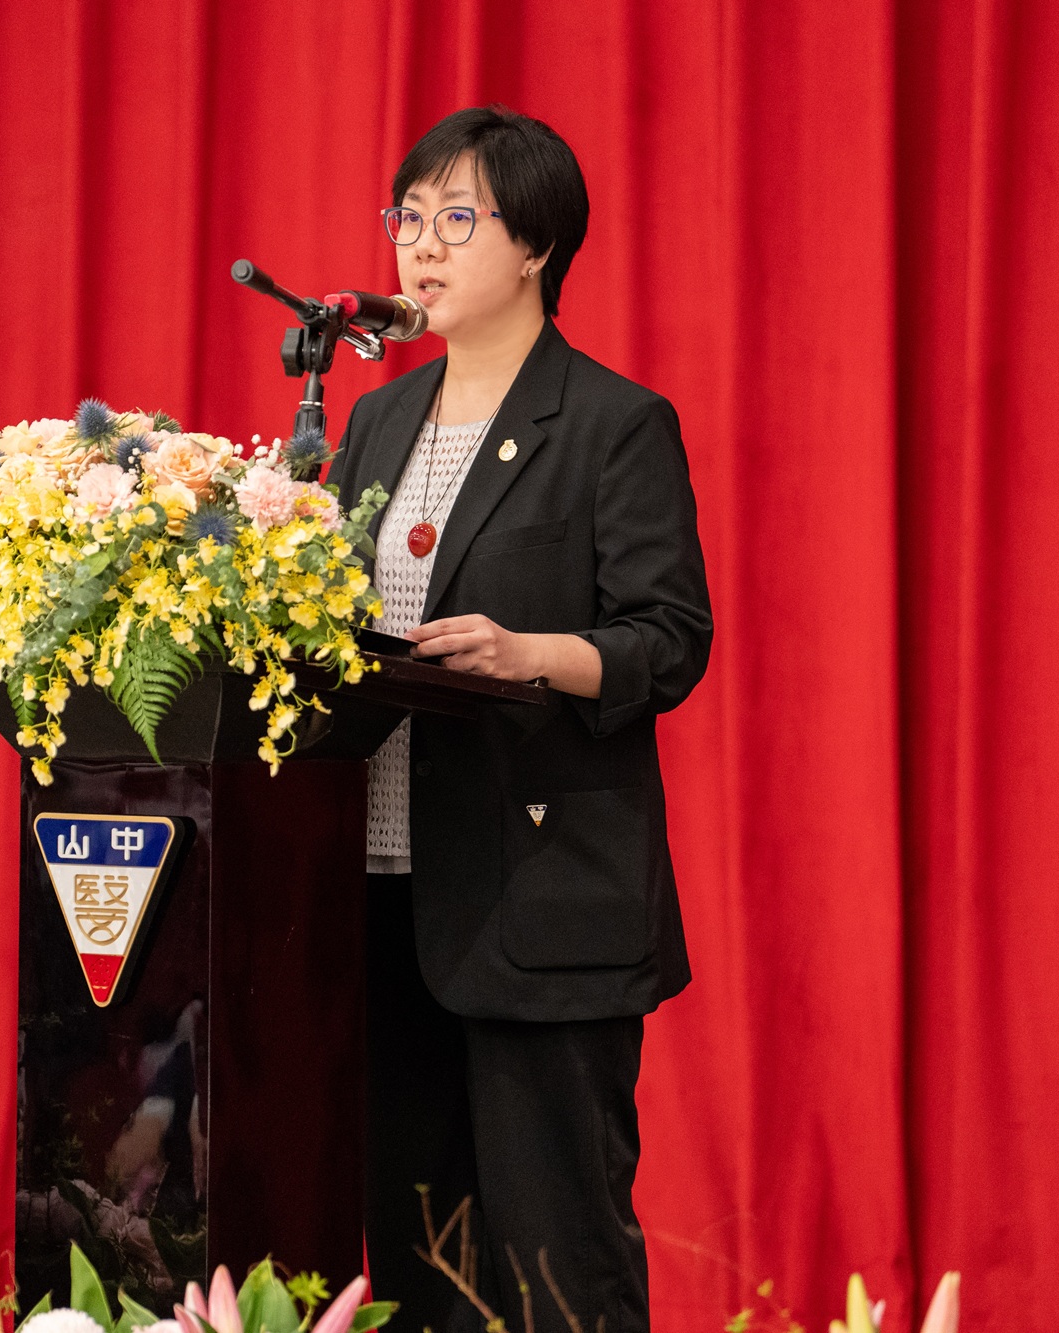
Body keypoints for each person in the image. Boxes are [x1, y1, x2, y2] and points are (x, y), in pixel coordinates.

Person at [336, 106, 713, 1333]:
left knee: (558, 1259)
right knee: (417, 1257)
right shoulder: (373, 422)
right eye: (407, 217)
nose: (420, 246)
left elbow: (669, 638)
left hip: (537, 895)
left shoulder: (611, 423)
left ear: (536, 243)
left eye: (457, 218)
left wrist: (529, 654)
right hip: (380, 892)